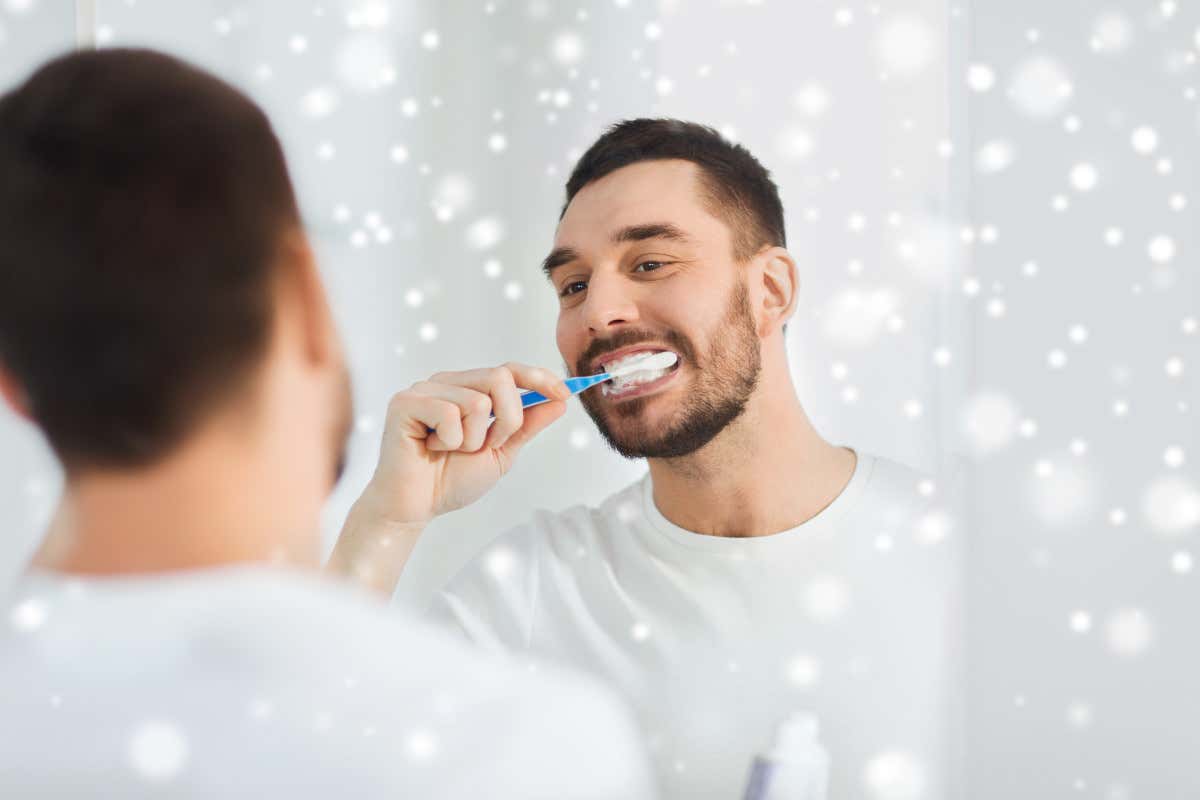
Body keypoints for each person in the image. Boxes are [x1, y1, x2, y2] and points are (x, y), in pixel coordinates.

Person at [0, 49, 655, 799]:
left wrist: (387, 522)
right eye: (573, 284)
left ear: (10, 381)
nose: (603, 310)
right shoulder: (515, 748)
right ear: (307, 291)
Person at [332, 119, 964, 799]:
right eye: (572, 285)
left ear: (771, 291)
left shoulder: (962, 556)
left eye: (650, 264)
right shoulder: (533, 592)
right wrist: (388, 521)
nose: (598, 311)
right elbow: (307, 759)